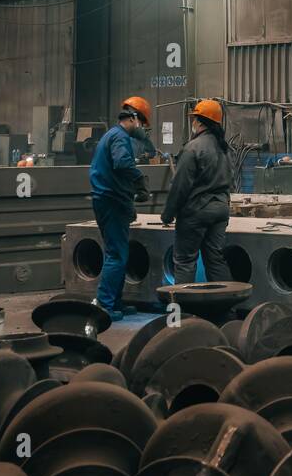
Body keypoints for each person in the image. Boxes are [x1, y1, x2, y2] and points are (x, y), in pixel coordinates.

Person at [90, 96, 153, 321]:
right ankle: (105, 306)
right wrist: (140, 181)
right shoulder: (119, 137)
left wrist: (128, 200)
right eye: (143, 123)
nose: (143, 129)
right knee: (116, 255)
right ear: (134, 118)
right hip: (111, 202)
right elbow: (123, 164)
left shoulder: (112, 135)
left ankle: (115, 303)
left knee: (117, 253)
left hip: (112, 201)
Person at [161, 99, 233, 285]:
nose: (192, 122)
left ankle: (184, 312)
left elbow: (180, 186)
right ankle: (226, 310)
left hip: (196, 212)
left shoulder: (193, 148)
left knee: (185, 261)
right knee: (215, 259)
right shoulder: (224, 148)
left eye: (193, 119)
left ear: (199, 121)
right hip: (220, 210)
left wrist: (168, 215)